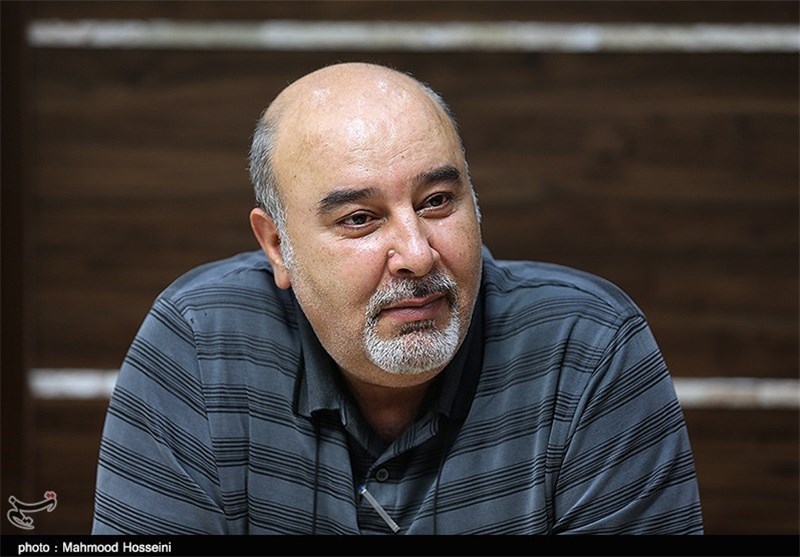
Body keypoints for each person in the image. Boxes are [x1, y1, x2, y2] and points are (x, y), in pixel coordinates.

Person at [91, 62, 704, 535]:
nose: (417, 253)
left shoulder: (589, 347)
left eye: (437, 202)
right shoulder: (199, 341)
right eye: (360, 219)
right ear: (278, 246)